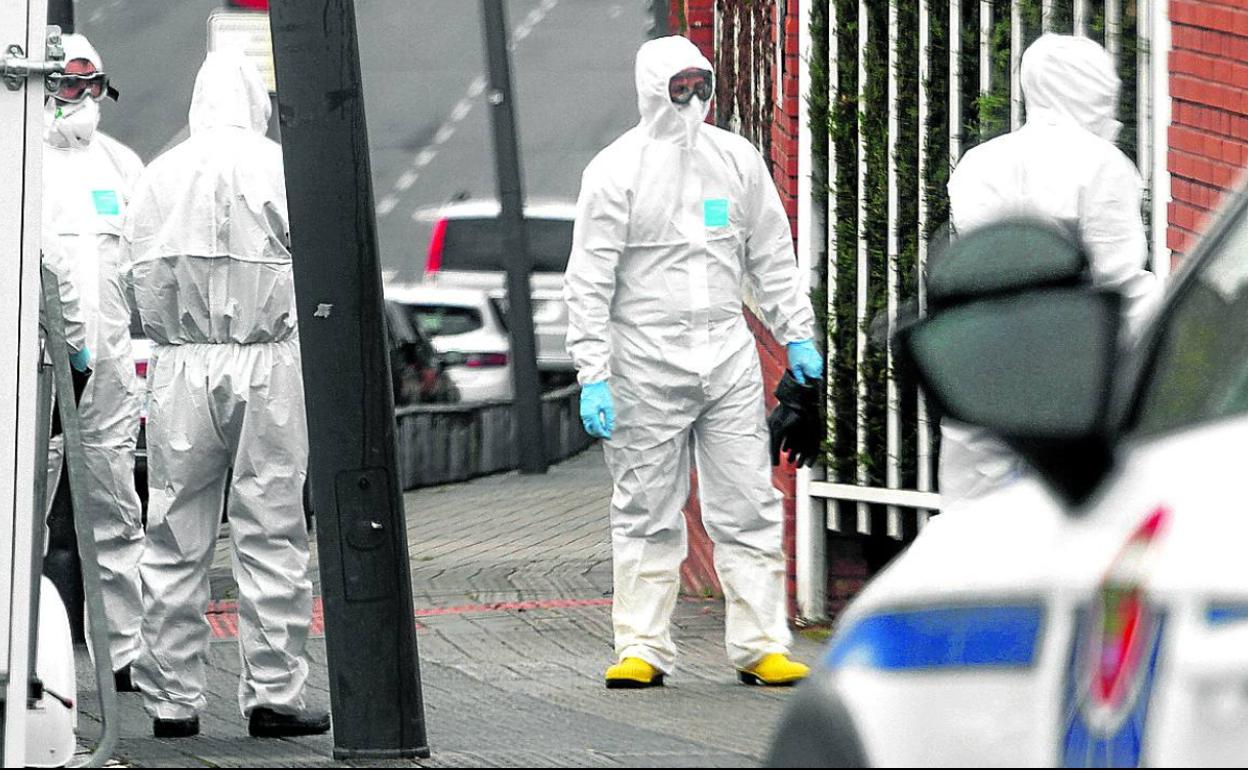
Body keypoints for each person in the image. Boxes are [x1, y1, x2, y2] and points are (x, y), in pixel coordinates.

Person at [564, 35, 823, 689]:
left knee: (747, 501)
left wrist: (798, 337)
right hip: (643, 359)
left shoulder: (735, 161)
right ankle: (643, 647)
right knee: (647, 506)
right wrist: (592, 372)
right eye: (679, 86)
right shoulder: (615, 171)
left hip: (727, 354)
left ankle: (762, 644)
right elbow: (588, 280)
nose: (693, 99)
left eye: (700, 85)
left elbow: (771, 255)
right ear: (653, 88)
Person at [123, 52, 327, 739]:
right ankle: (273, 693)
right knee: (271, 528)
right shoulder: (279, 165)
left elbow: (131, 276)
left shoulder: (160, 173)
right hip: (267, 361)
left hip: (179, 366)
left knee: (174, 533)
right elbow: (318, 259)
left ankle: (171, 700)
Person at [940, 33, 1162, 508]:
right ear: (1090, 91)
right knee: (1075, 518)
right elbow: (1117, 279)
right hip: (1070, 368)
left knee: (971, 523)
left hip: (982, 357)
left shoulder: (979, 163)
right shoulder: (1104, 166)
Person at [41, 32, 146, 692]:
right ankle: (18, 646)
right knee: (23, 503)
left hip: (107, 366)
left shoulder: (121, 166)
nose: (80, 96)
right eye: (66, 83)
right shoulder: (18, 160)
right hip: (40, 370)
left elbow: (144, 270)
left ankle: (123, 653)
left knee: (117, 507)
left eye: (90, 82)